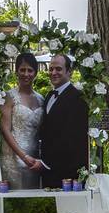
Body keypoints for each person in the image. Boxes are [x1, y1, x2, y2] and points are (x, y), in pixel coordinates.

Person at [38, 54, 89, 189]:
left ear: (69, 72)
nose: (54, 73)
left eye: (59, 69)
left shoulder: (78, 98)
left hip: (68, 173)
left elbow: (74, 139)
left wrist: (49, 163)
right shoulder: (49, 96)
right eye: (51, 69)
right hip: (49, 171)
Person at [0, 53, 45, 190]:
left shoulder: (41, 99)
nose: (26, 74)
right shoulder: (9, 97)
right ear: (16, 72)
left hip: (35, 159)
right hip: (14, 157)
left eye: (30, 70)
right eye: (22, 70)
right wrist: (23, 156)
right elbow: (5, 129)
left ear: (35, 73)